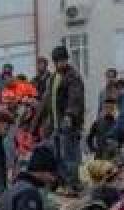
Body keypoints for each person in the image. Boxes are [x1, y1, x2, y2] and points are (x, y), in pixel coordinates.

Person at [37, 45, 84, 192]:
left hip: (69, 124)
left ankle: (72, 184)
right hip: (55, 125)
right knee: (56, 155)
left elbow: (75, 98)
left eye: (62, 61)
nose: (59, 64)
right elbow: (46, 101)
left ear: (66, 60)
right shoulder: (53, 78)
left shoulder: (73, 76)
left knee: (69, 155)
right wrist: (36, 123)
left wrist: (69, 115)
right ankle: (61, 182)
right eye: (57, 61)